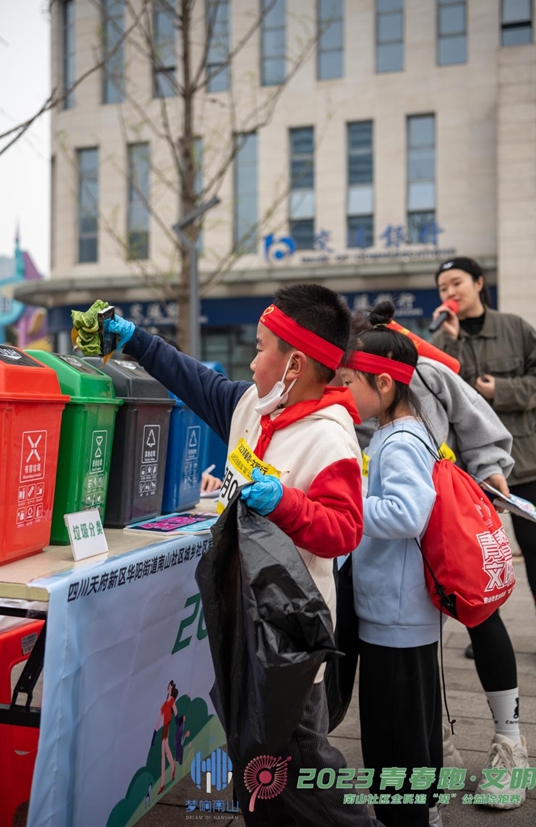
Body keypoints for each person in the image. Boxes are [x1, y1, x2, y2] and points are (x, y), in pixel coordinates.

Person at [99, 285, 384, 827]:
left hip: (287, 645)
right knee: (257, 775)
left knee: (300, 776)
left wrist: (286, 503)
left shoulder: (330, 440)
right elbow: (196, 381)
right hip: (242, 629)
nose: (251, 360)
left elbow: (345, 529)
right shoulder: (256, 405)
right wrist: (137, 341)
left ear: (295, 363)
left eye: (259, 348)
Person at [355, 301, 529, 810]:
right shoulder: (342, 386)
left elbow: (478, 424)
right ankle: (434, 757)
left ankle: (510, 743)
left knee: (480, 617)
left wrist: (490, 467)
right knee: (417, 665)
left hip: (446, 530)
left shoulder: (421, 372)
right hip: (403, 554)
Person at [431, 257, 536, 668]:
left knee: (532, 543)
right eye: (442, 287)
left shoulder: (514, 327)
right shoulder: (444, 337)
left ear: (479, 283)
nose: (449, 293)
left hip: (520, 457)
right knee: (481, 547)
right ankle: (487, 626)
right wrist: (449, 342)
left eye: (456, 283)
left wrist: (500, 389)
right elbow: (440, 385)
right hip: (471, 464)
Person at [340, 313, 442, 827]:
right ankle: (418, 808)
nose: (345, 393)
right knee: (413, 723)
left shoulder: (399, 440)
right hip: (404, 607)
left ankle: (405, 818)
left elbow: (407, 513)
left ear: (383, 382)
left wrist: (349, 503)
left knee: (393, 729)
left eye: (351, 383)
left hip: (394, 613)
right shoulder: (404, 430)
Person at [154, 680, 179, 794]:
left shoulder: (171, 700)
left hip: (167, 726)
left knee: (163, 754)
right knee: (166, 752)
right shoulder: (165, 702)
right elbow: (160, 717)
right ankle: (173, 768)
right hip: (164, 727)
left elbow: (176, 711)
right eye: (169, 685)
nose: (169, 687)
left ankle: (163, 783)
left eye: (170, 686)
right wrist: (155, 732)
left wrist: (179, 720)